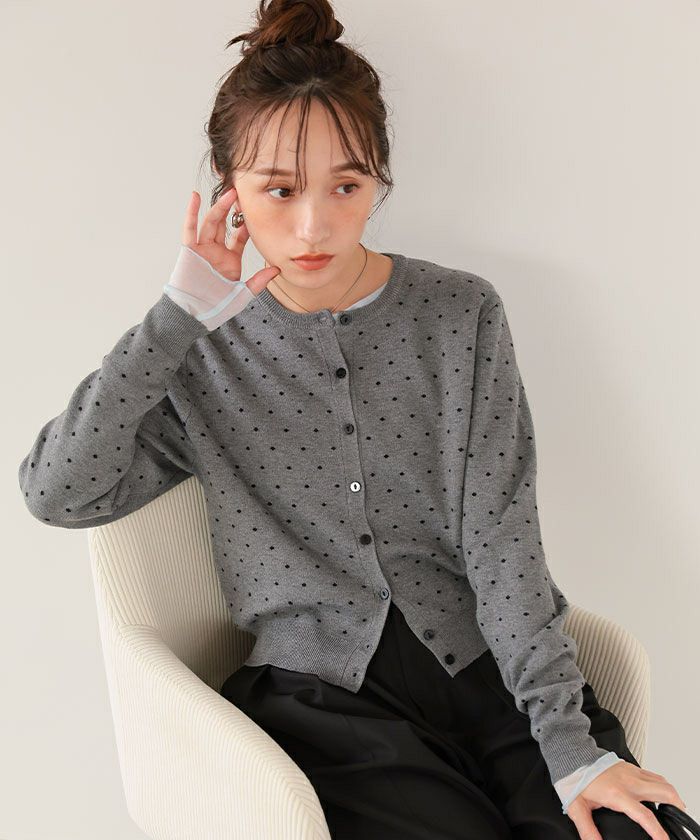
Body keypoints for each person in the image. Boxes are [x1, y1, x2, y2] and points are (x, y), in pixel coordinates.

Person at [18, 1, 687, 838]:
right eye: (279, 189)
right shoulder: (197, 355)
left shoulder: (460, 315)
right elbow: (57, 492)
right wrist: (174, 319)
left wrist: (566, 741)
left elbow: (503, 540)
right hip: (328, 710)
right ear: (228, 187)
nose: (314, 226)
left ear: (379, 181)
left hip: (496, 680)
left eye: (346, 186)